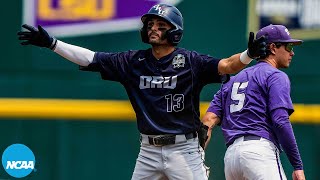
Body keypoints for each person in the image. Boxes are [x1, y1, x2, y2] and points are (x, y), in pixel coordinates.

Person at [17, 3, 266, 180]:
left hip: (184, 150)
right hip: (148, 151)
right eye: (150, 24)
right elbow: (90, 58)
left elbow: (226, 66)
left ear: (175, 31)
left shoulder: (190, 61)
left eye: (160, 24)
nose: (153, 28)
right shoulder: (132, 62)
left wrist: (249, 55)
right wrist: (52, 43)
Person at [202, 24, 306, 180]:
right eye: (288, 46)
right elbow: (280, 121)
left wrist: (197, 156)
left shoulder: (230, 82)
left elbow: (207, 122)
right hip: (259, 153)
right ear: (273, 47)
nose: (292, 52)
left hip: (231, 159)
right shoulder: (275, 76)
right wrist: (297, 166)